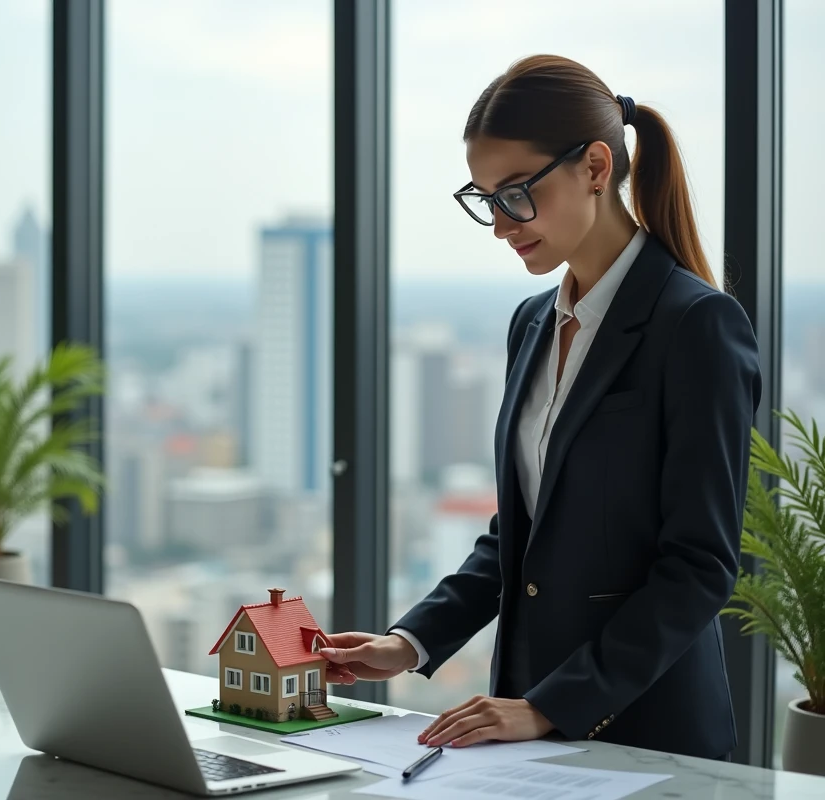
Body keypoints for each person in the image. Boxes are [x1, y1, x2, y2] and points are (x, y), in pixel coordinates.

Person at [320, 55, 761, 762]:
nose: (501, 224)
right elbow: (523, 533)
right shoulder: (531, 323)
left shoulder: (695, 325)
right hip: (520, 723)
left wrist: (553, 705)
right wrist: (409, 642)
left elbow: (699, 567)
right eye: (486, 198)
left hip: (647, 732)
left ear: (595, 168)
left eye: (517, 193)